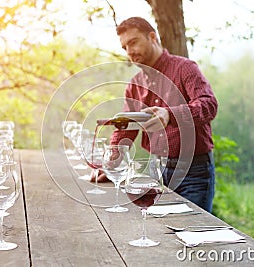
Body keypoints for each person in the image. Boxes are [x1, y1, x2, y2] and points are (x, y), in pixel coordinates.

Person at [92, 17, 218, 213]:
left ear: (152, 37)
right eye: (124, 47)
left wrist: (170, 115)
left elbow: (209, 105)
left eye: (133, 42)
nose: (129, 51)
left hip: (194, 171)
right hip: (156, 169)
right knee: (163, 234)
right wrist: (111, 164)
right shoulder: (134, 84)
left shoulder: (185, 68)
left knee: (193, 232)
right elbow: (125, 127)